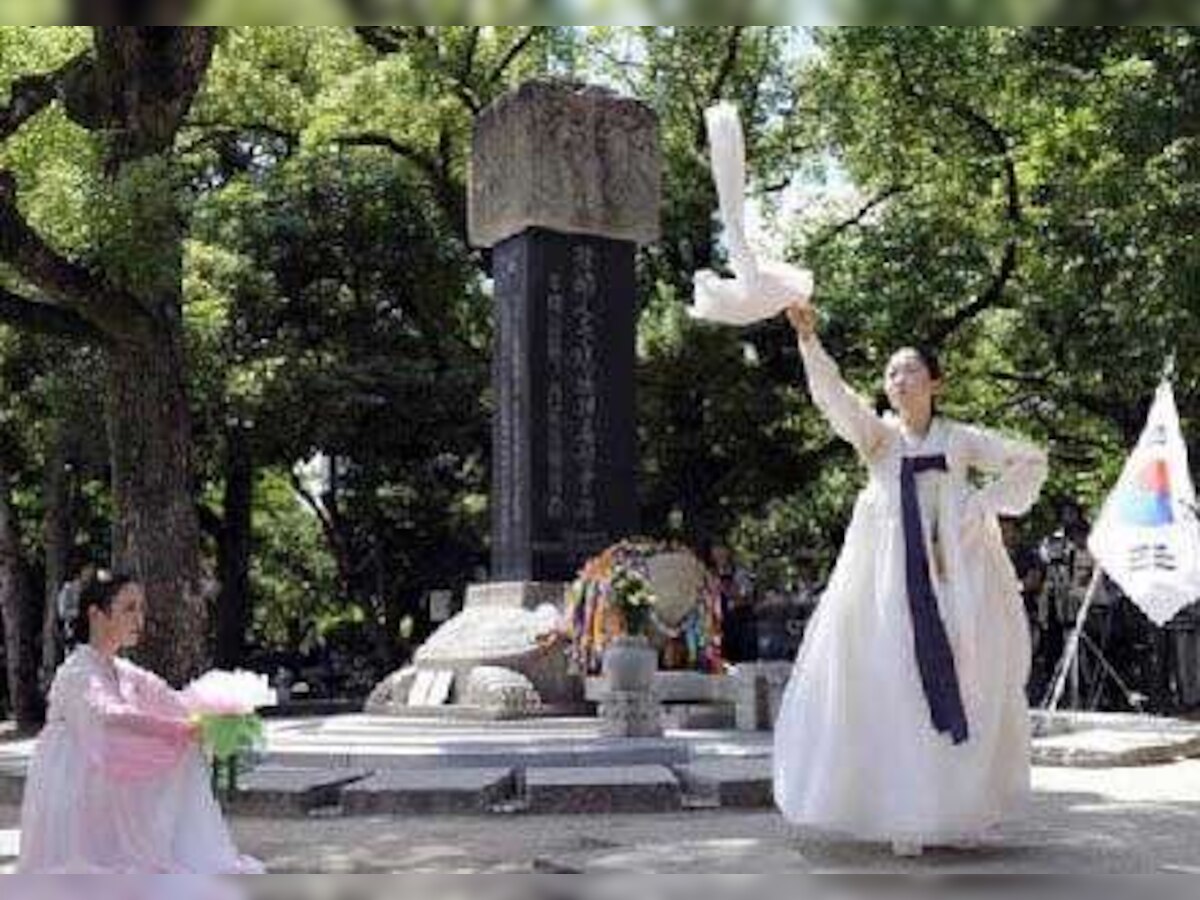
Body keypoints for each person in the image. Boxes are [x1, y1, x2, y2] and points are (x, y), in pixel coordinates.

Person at [773, 302, 1048, 857]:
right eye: (892, 372)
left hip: (956, 576)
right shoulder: (879, 439)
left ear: (935, 381)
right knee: (891, 677)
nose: (899, 380)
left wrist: (980, 505)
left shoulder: (960, 439)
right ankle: (902, 807)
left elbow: (1030, 460)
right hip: (886, 579)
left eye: (911, 370)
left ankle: (957, 805)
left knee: (966, 675)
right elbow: (836, 400)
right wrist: (809, 341)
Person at [18, 570, 263, 874]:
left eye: (141, 609)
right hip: (76, 789)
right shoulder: (78, 671)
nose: (139, 619)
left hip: (103, 782)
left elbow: (169, 700)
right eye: (129, 608)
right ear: (96, 615)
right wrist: (178, 729)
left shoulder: (122, 670)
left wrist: (212, 711)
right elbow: (108, 714)